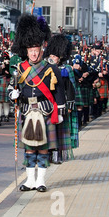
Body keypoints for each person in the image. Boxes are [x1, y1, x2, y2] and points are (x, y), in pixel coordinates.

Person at [8, 14, 66, 193]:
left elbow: (58, 92)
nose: (33, 53)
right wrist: (13, 94)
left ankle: (41, 181)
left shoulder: (51, 68)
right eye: (31, 50)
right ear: (26, 51)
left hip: (45, 111)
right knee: (29, 150)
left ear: (42, 50)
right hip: (26, 112)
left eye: (36, 50)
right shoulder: (20, 69)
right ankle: (29, 181)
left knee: (42, 150)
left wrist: (60, 111)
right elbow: (11, 89)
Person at [44, 34, 79, 163]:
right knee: (48, 130)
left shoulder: (66, 69)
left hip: (60, 104)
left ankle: (57, 155)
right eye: (51, 56)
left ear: (60, 57)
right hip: (47, 103)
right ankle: (46, 154)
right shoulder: (43, 68)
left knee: (59, 131)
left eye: (55, 56)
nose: (52, 58)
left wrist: (69, 106)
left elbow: (70, 89)